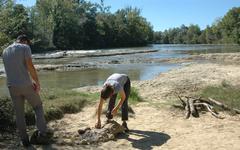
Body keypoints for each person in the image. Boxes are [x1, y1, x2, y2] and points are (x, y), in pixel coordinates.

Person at [2, 35, 51, 147]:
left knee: (19, 114)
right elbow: (30, 66)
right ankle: (42, 134)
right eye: (28, 43)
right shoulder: (24, 47)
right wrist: (37, 82)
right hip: (26, 85)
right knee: (38, 106)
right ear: (25, 41)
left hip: (11, 86)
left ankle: (24, 140)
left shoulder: (4, 51)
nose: (28, 46)